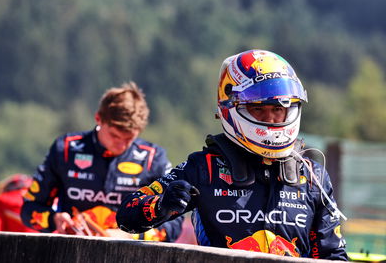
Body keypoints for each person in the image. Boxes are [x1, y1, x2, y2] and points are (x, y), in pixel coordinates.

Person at [116, 49, 348, 260]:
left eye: (278, 109)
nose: (270, 119)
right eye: (259, 108)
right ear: (230, 108)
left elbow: (332, 256)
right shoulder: (203, 167)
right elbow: (127, 216)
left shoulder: (312, 176)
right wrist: (159, 207)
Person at [21, 81, 183, 241]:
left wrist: (131, 235)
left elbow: (174, 222)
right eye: (114, 135)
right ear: (98, 119)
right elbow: (29, 209)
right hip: (74, 249)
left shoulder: (153, 159)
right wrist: (53, 219)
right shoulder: (65, 149)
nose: (121, 144)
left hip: (130, 253)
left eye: (129, 138)